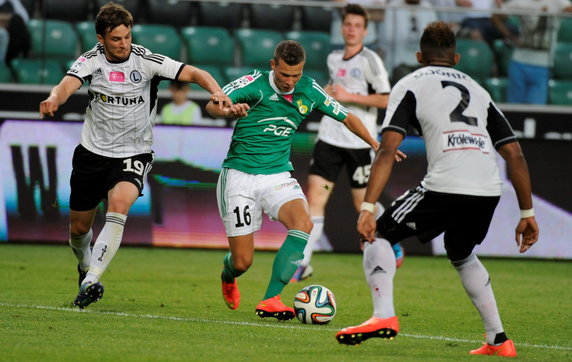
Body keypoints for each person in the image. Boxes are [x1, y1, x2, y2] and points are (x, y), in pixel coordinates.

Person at [335, 22, 539, 358]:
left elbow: (387, 149)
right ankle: (499, 341)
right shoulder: (479, 89)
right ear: (457, 58)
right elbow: (514, 153)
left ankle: (383, 316)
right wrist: (527, 213)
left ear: (419, 56)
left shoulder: (410, 84)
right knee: (461, 252)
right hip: (488, 187)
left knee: (379, 234)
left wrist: (368, 206)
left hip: (446, 183)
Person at [39, 2, 235, 309]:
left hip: (134, 153)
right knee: (79, 230)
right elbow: (67, 84)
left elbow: (195, 72)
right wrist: (53, 98)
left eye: (127, 37)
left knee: (119, 206)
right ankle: (84, 266)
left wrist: (217, 91)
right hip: (92, 154)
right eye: (116, 39)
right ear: (101, 39)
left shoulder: (146, 61)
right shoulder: (91, 60)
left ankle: (92, 280)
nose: (123, 44)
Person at [205, 40, 380, 320]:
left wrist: (374, 142)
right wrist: (228, 109)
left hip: (277, 175)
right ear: (273, 65)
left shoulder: (309, 90)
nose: (289, 81)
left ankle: (271, 298)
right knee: (242, 262)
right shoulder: (253, 83)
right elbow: (214, 104)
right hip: (239, 177)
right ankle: (228, 275)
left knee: (304, 222)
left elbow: (347, 118)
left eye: (295, 75)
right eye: (284, 74)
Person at [292, 3, 404, 283]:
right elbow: (336, 94)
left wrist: (349, 97)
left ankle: (394, 237)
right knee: (315, 199)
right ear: (341, 28)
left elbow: (386, 98)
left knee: (362, 206)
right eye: (347, 25)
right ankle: (303, 263)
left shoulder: (370, 60)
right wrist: (329, 94)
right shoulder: (333, 58)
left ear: (365, 31)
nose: (351, 30)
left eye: (357, 26)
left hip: (358, 143)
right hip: (329, 138)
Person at [492, 0, 572, 104]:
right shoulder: (519, 3)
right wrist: (509, 36)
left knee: (536, 110)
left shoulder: (557, 2)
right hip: (518, 62)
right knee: (514, 110)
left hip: (543, 65)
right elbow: (496, 17)